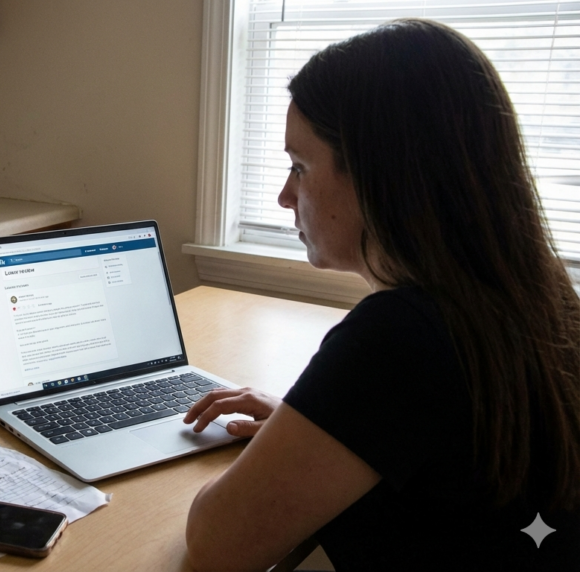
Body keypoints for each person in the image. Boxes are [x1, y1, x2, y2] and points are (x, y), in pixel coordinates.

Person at [183, 18, 580, 572]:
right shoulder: (537, 292)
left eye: (300, 166)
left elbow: (215, 545)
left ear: (375, 173)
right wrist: (318, 427)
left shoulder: (400, 334)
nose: (283, 195)